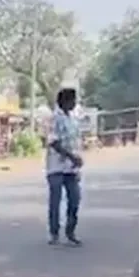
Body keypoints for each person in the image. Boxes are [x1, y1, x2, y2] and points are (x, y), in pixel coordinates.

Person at [46, 87, 84, 246]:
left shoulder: (73, 119)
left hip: (71, 167)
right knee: (55, 201)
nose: (75, 103)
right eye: (72, 100)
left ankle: (71, 230)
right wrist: (71, 156)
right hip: (56, 166)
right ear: (65, 101)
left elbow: (75, 142)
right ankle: (54, 232)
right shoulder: (55, 118)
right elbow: (53, 142)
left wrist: (77, 159)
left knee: (74, 199)